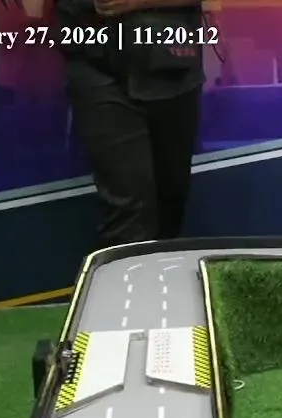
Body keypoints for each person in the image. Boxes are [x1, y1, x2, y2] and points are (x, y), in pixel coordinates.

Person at [56, 0, 206, 250]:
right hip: (97, 63)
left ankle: (162, 271)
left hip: (172, 62)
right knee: (130, 215)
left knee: (170, 205)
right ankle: (128, 272)